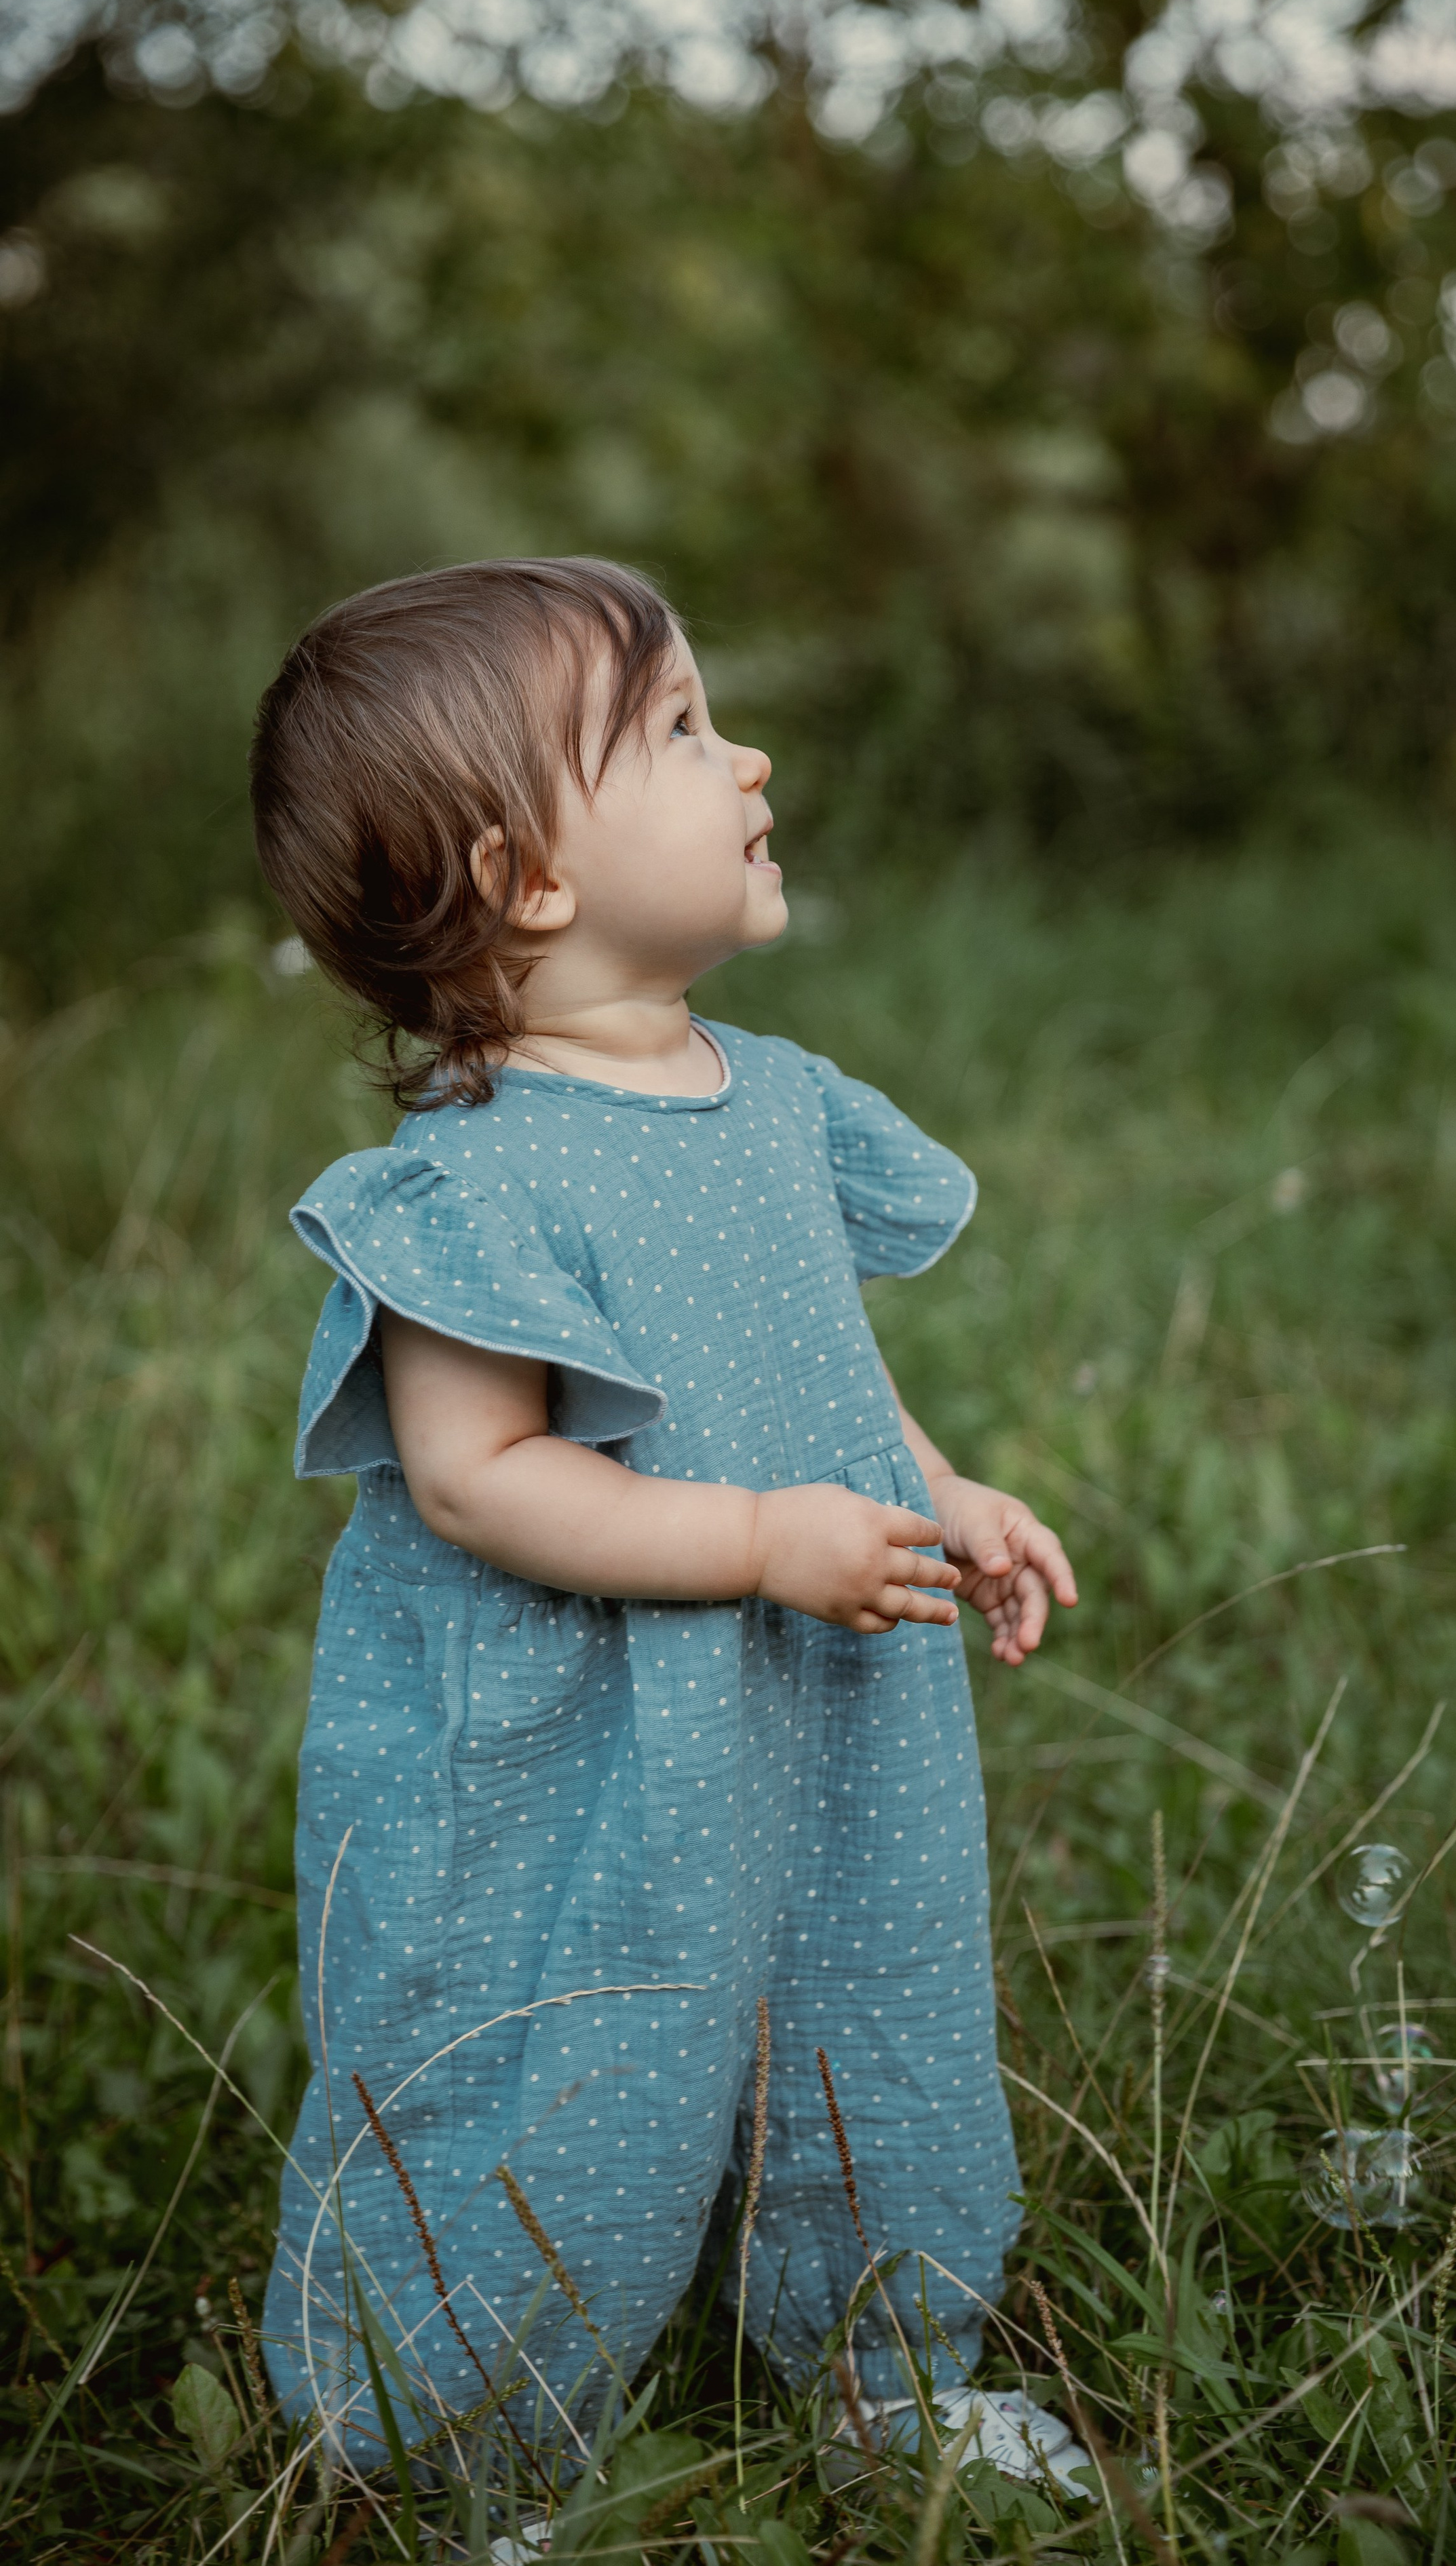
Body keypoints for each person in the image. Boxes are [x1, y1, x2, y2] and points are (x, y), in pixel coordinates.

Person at [250, 556, 1077, 2463]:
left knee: (876, 1998)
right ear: (531, 879)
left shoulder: (774, 1102)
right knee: (563, 2050)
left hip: (824, 1697)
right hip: (585, 1748)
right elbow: (476, 1479)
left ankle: (884, 2372)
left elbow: (820, 1369)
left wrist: (938, 1494)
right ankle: (470, 2433)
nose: (751, 756)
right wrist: (755, 1544)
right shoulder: (473, 1183)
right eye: (688, 729)